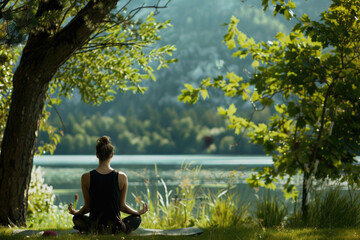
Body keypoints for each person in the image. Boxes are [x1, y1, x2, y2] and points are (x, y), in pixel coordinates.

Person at [68, 136, 148, 234]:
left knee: (77, 218)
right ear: (112, 155)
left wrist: (75, 212)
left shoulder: (85, 177)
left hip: (95, 226)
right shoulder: (122, 177)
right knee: (136, 218)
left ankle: (89, 229)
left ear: (97, 155)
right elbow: (122, 207)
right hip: (116, 228)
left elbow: (87, 207)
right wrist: (138, 212)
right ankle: (118, 231)